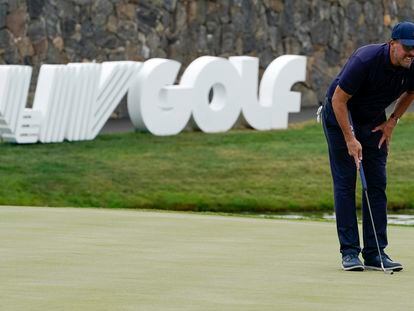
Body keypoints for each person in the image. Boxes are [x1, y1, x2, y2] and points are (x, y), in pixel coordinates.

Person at [321, 21, 414, 271]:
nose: (412, 53)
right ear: (392, 44)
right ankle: (350, 252)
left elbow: (411, 92)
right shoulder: (366, 59)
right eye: (407, 48)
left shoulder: (413, 63)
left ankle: (375, 253)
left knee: (376, 183)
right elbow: (339, 99)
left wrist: (392, 121)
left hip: (373, 120)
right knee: (346, 182)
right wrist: (350, 139)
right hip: (340, 115)